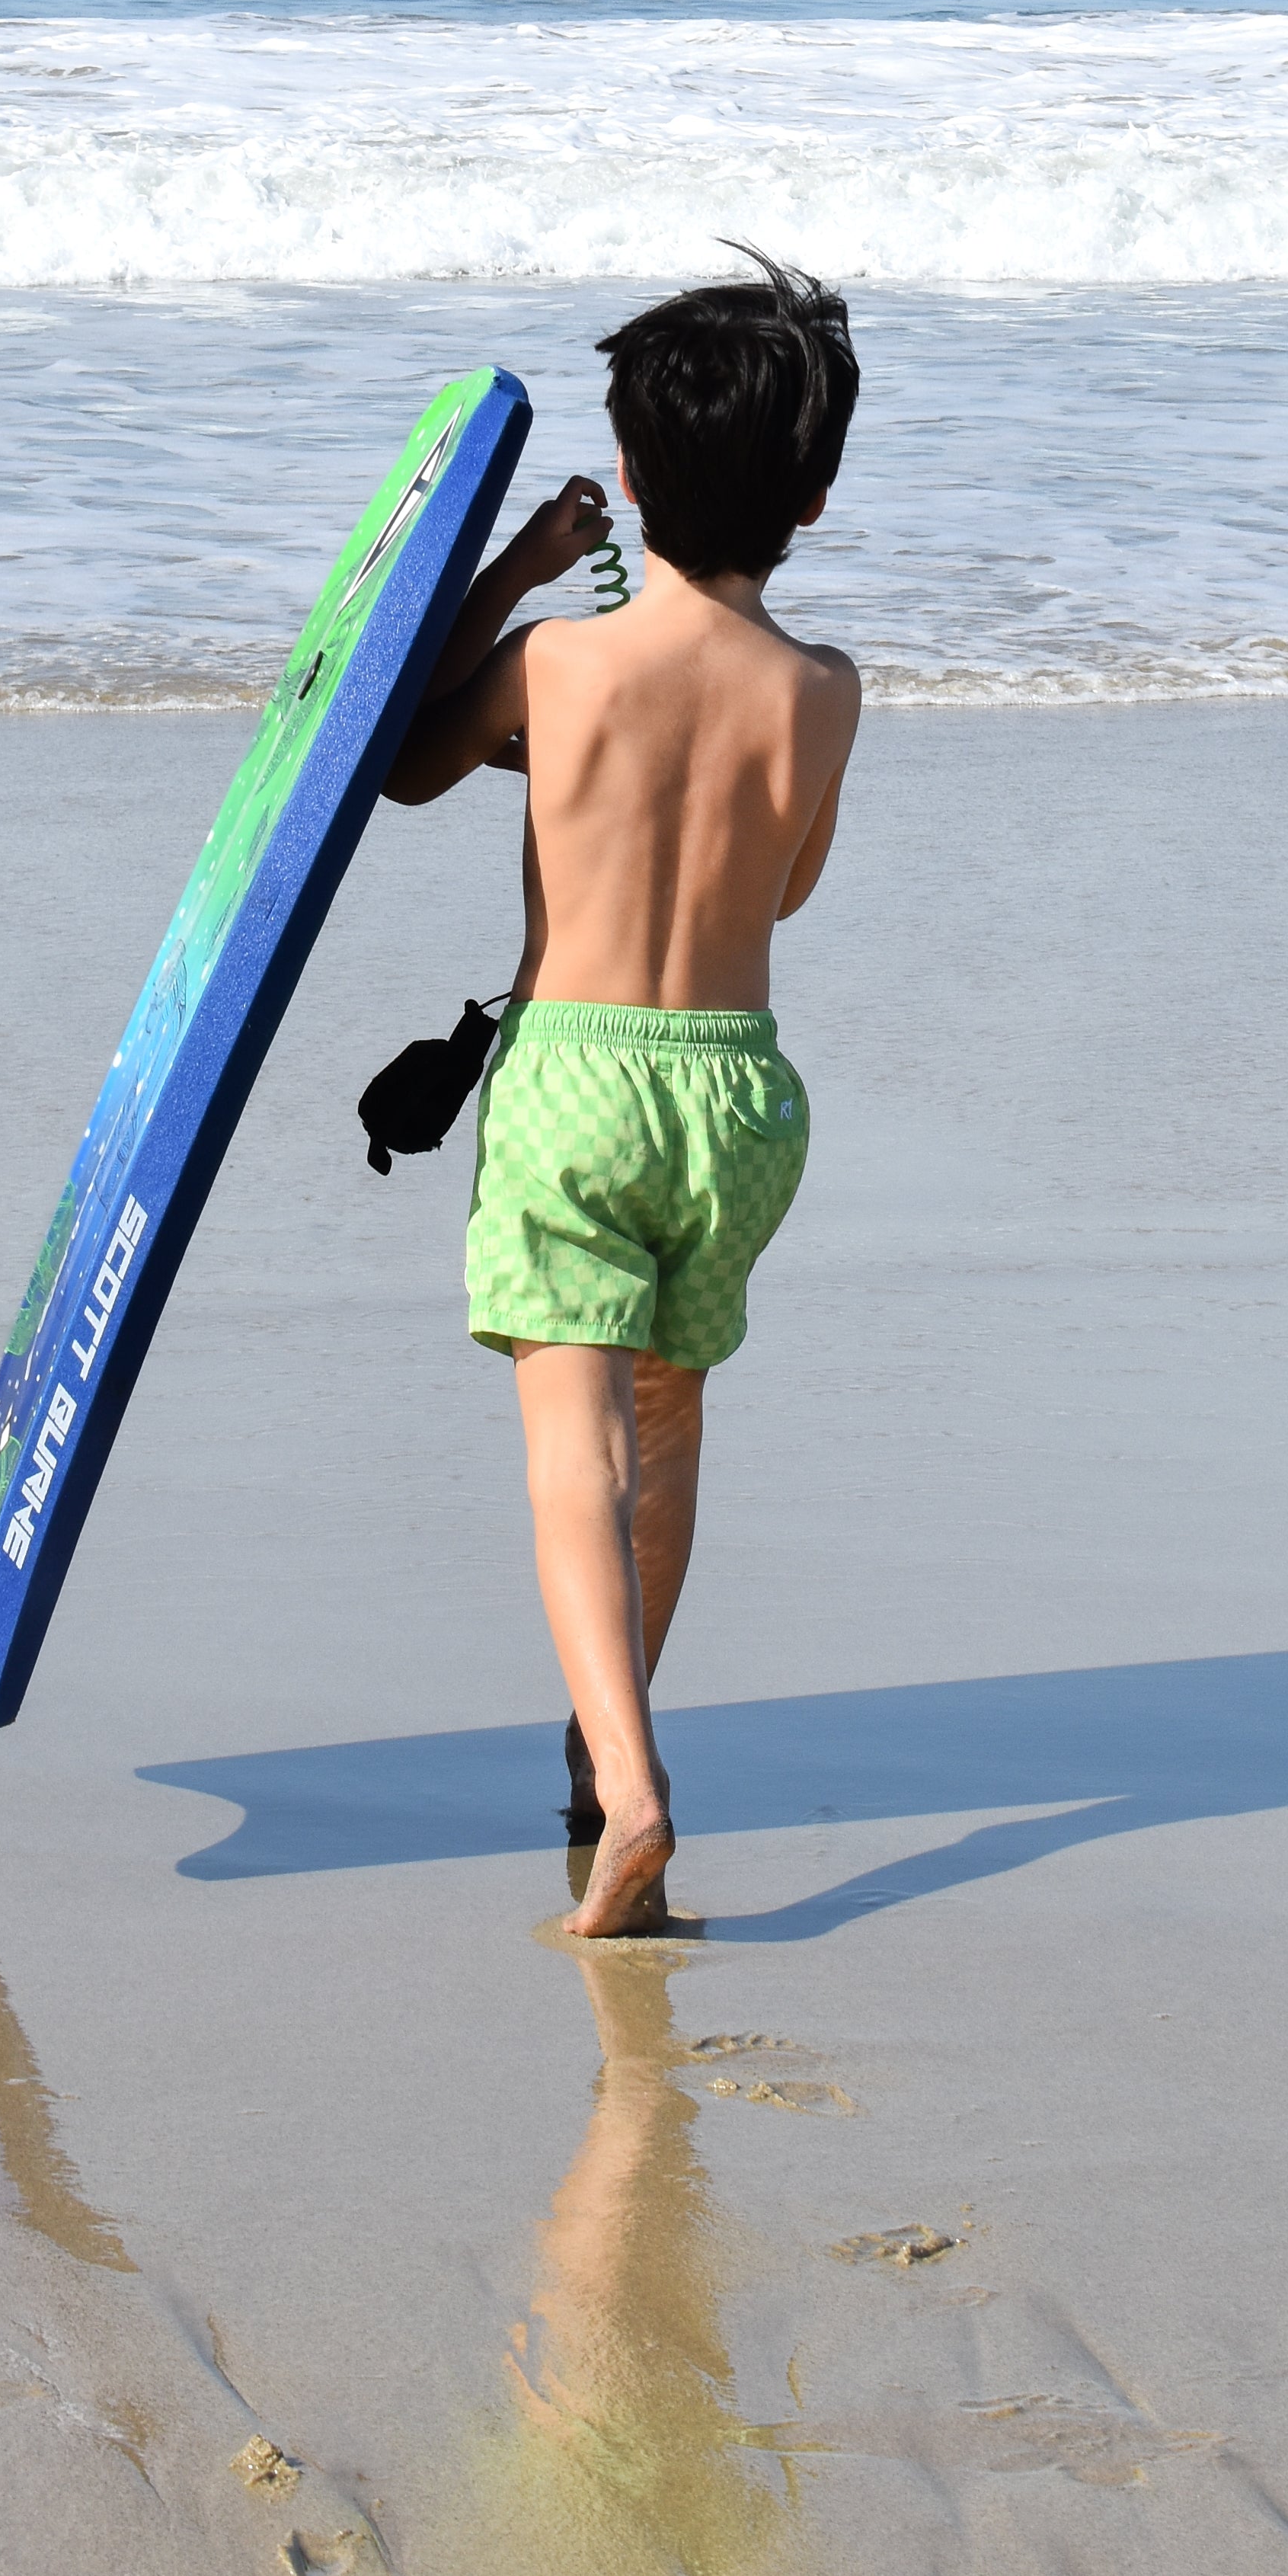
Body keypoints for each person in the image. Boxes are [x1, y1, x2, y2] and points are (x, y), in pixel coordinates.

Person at [382, 255, 861, 1935]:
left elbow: (398, 755)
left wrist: (512, 568)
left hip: (576, 1075)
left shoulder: (560, 667)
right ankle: (605, 1769)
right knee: (664, 1422)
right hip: (737, 1096)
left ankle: (633, 1786)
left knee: (566, 1442)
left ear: (632, 478)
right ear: (814, 495)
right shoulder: (823, 689)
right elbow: (782, 890)